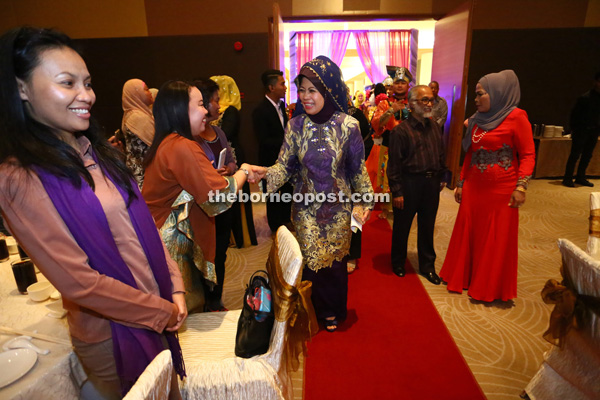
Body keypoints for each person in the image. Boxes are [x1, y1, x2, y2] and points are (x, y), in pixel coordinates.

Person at [0, 27, 186, 399]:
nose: (86, 95)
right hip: (113, 335)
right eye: (67, 83)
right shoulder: (20, 177)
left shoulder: (97, 152)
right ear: (21, 89)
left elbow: (144, 226)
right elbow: (79, 282)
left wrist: (176, 288)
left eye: (87, 82)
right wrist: (160, 311)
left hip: (158, 307)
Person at [253, 56, 374, 332]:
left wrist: (364, 199)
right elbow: (285, 166)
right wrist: (265, 174)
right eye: (301, 90)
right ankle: (309, 309)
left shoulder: (348, 127)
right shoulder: (295, 126)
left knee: (333, 265)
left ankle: (331, 310)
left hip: (338, 209)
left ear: (328, 90)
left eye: (312, 90)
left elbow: (357, 169)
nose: (305, 97)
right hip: (305, 208)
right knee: (309, 263)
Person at [142, 80, 256, 313]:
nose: (206, 110)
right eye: (201, 104)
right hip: (171, 237)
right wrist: (244, 171)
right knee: (185, 307)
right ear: (180, 111)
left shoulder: (170, 141)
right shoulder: (183, 146)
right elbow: (220, 197)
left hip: (162, 230)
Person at [440, 69, 535, 302]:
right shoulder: (476, 120)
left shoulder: (517, 117)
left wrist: (521, 186)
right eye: (476, 94)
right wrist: (461, 183)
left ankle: (488, 286)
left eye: (481, 94)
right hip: (474, 187)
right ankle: (463, 277)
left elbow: (528, 154)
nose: (476, 99)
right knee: (469, 231)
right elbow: (470, 154)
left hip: (502, 190)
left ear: (497, 94)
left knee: (495, 236)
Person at [387, 85, 446, 285]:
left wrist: (442, 175)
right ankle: (398, 263)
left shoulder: (435, 127)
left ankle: (428, 266)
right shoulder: (400, 131)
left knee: (427, 227)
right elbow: (393, 165)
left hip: (431, 185)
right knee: (402, 227)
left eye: (431, 99)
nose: (430, 104)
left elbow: (440, 154)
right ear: (412, 104)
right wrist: (397, 191)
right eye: (425, 100)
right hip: (409, 184)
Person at [192, 78, 238, 311]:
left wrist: (227, 169)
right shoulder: (190, 137)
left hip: (224, 201)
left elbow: (232, 161)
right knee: (204, 253)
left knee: (220, 252)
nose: (219, 106)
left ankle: (215, 299)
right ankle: (204, 298)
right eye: (215, 101)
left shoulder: (218, 131)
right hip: (203, 205)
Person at [211, 75, 258, 248]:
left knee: (237, 195)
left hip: (232, 157)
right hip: (219, 158)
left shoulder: (230, 110)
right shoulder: (213, 113)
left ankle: (240, 237)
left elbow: (226, 133)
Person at [369, 66, 413, 219]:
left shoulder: (413, 103)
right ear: (393, 85)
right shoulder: (384, 103)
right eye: (397, 82)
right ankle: (386, 208)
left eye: (403, 82)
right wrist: (391, 110)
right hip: (389, 145)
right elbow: (376, 124)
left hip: (409, 148)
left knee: (407, 176)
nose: (400, 85)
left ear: (408, 85)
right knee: (385, 176)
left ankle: (406, 205)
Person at [252, 69, 292, 233]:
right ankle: (276, 226)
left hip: (286, 160)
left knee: (288, 191)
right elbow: (264, 140)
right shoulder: (260, 110)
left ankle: (285, 220)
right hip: (270, 159)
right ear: (271, 87)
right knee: (274, 195)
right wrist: (287, 142)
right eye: (282, 84)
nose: (285, 87)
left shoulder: (282, 106)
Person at [562, 72, 600, 187]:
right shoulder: (585, 98)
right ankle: (567, 178)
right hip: (581, 130)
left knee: (587, 155)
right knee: (575, 155)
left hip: (594, 131)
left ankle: (580, 177)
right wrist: (574, 129)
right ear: (595, 82)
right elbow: (574, 115)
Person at [121, 78, 155, 188]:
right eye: (146, 90)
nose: (150, 92)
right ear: (137, 94)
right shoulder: (137, 117)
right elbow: (157, 146)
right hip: (143, 177)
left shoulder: (136, 114)